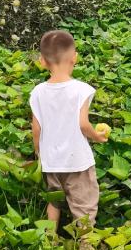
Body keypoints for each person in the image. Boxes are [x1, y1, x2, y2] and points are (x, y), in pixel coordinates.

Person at [30, 29, 107, 231]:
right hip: (77, 161)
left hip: (51, 161)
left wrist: (38, 151)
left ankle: (49, 237)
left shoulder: (37, 92)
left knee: (54, 199)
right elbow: (83, 124)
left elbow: (36, 129)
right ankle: (85, 243)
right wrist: (97, 136)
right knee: (84, 204)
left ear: (42, 61)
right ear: (75, 58)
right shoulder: (81, 90)